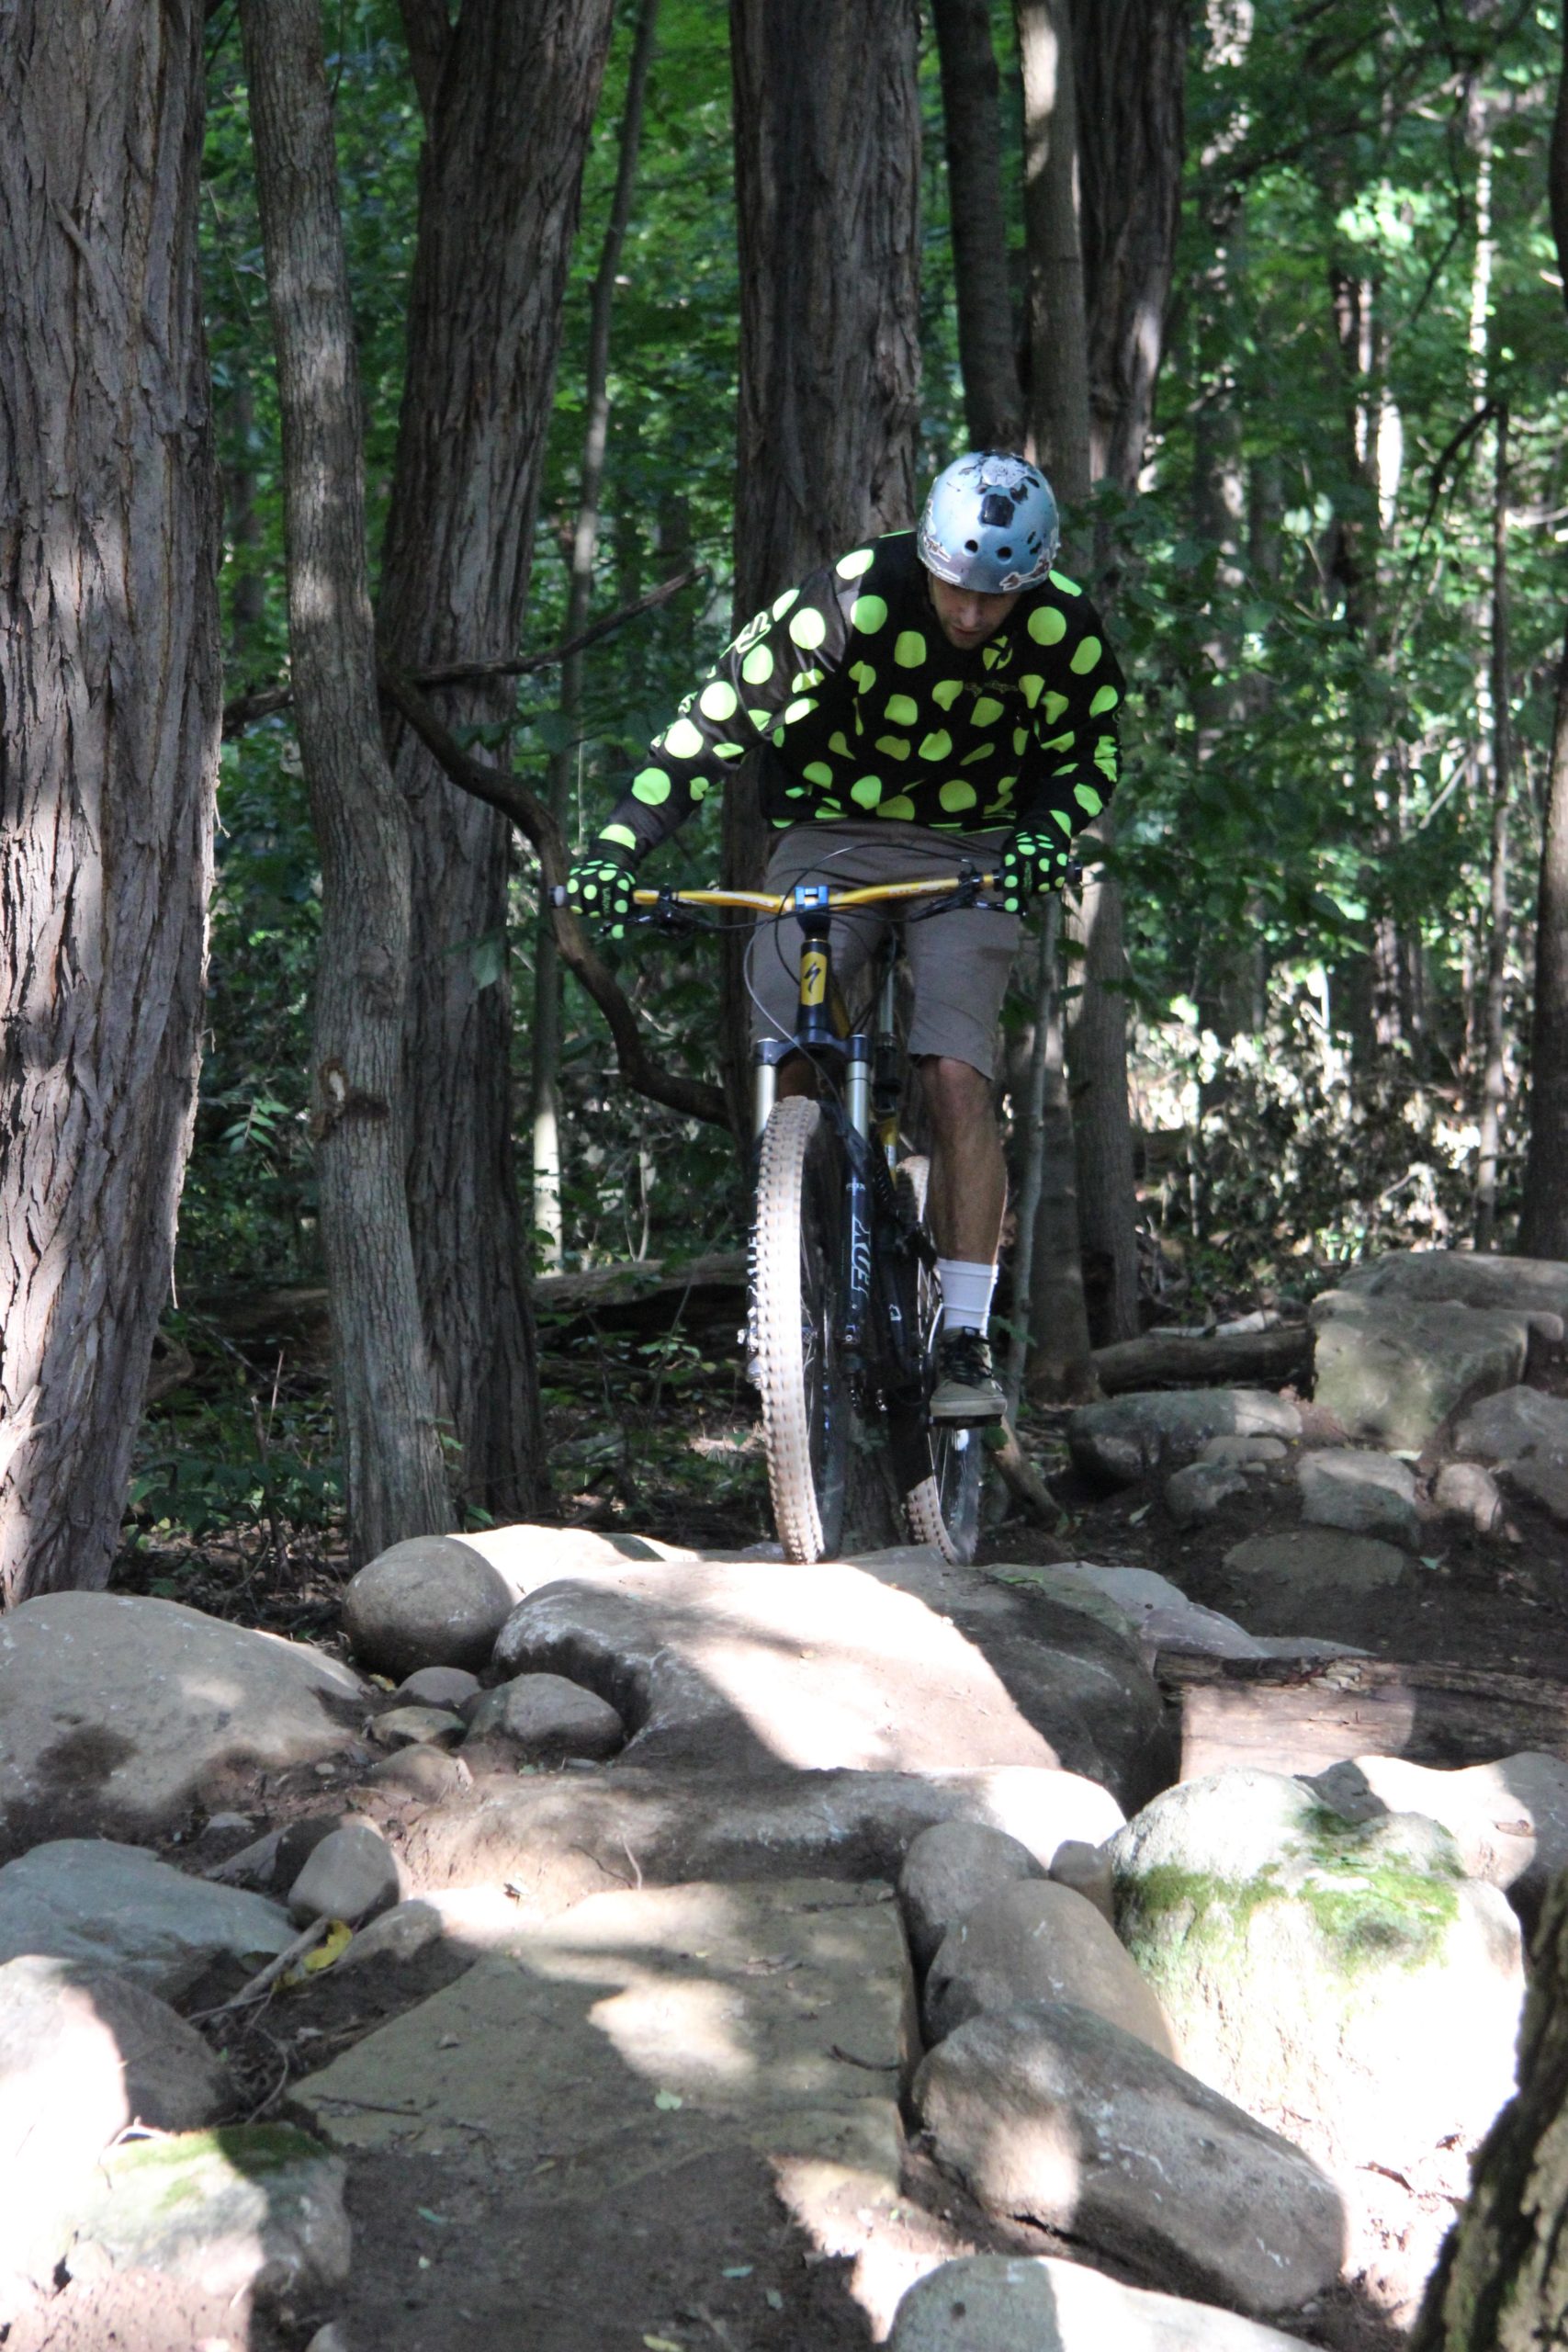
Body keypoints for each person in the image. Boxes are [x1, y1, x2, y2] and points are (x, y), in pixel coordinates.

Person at [567, 450, 1124, 1423]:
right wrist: (618, 843)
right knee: (783, 1018)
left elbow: (1091, 753)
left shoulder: (1063, 625)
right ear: (929, 554)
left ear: (1029, 583)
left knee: (955, 1068)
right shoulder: (851, 598)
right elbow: (718, 718)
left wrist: (1044, 834)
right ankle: (794, 1270)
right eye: (956, 587)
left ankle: (962, 1334)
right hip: (833, 834)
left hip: (976, 852)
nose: (969, 615)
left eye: (995, 600)